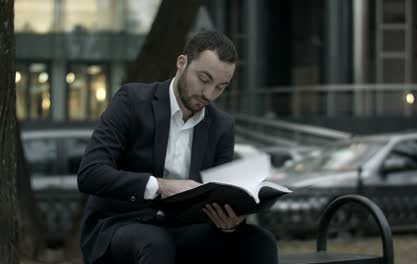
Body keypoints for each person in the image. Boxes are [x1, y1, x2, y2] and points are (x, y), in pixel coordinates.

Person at [77, 31, 278, 264]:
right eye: (204, 79)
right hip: (122, 223)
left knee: (260, 241)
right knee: (156, 243)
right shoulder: (131, 101)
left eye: (220, 87)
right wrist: (161, 186)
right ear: (182, 63)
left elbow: (221, 190)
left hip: (185, 228)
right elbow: (90, 173)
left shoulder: (221, 126)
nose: (209, 94)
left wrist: (229, 221)